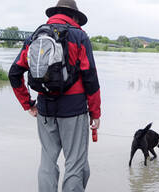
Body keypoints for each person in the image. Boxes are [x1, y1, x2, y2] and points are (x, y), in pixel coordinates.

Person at [8, 0, 101, 191]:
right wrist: (95, 113)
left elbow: (14, 73)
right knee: (75, 164)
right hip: (74, 110)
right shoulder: (79, 36)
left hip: (44, 109)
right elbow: (90, 77)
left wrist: (28, 104)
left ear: (55, 13)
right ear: (75, 16)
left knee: (47, 162)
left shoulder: (35, 36)